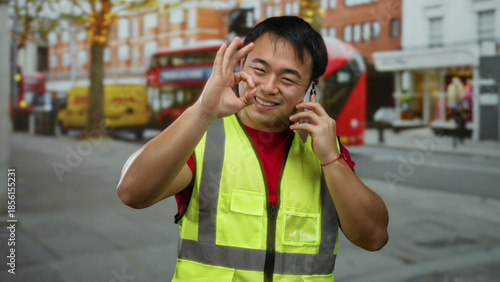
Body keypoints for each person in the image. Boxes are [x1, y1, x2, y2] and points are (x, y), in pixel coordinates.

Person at [117, 16, 388, 281]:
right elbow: (132, 192)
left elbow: (374, 237)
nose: (268, 87)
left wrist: (331, 159)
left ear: (310, 90)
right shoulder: (202, 136)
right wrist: (202, 111)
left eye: (288, 79)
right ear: (241, 65)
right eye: (259, 70)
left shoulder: (326, 149)